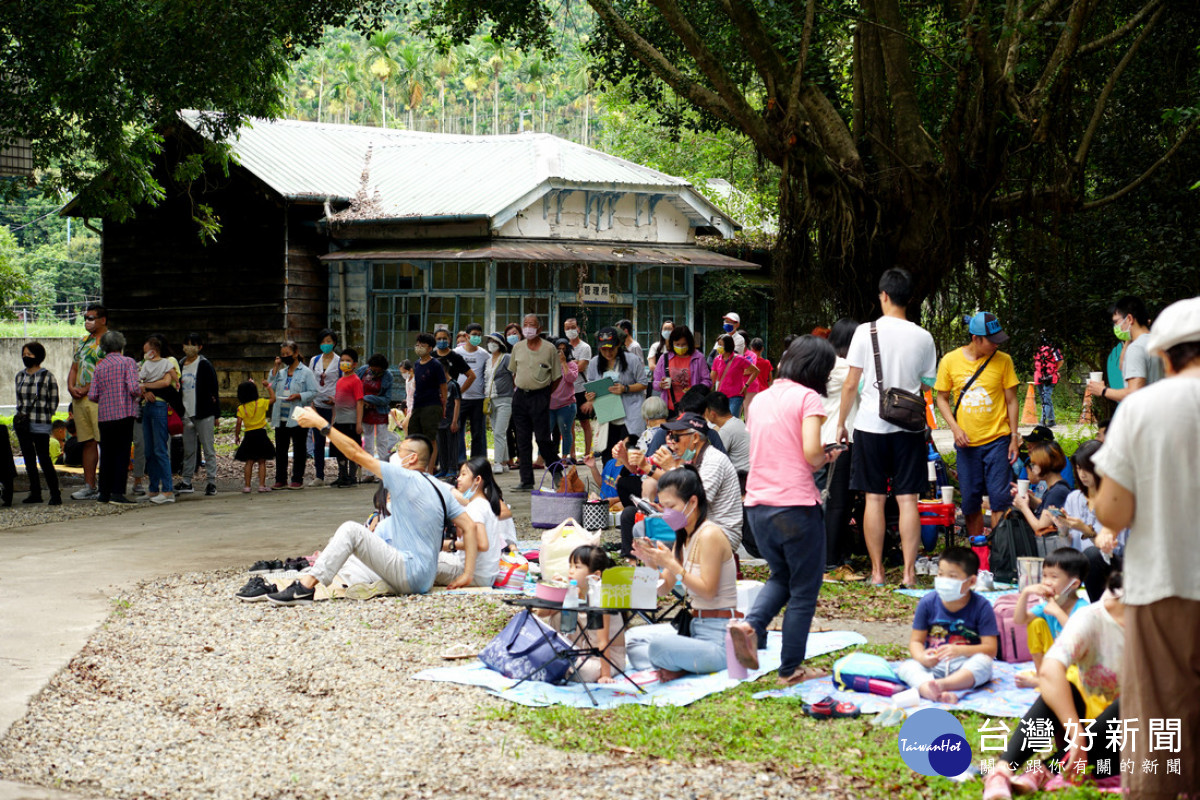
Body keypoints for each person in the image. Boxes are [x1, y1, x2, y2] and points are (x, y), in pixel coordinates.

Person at [1091, 295, 1200, 800]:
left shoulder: (1143, 408)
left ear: (1165, 355)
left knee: (1158, 711)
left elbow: (1113, 513)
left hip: (1165, 582)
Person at [250, 428, 479, 604]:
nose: (394, 455)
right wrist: (467, 574)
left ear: (410, 460)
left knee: (351, 530)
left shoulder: (404, 476)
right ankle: (309, 577)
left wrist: (322, 425)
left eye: (399, 451)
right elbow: (470, 527)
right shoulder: (440, 487)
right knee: (357, 553)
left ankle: (305, 587)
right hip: (424, 578)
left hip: (408, 574)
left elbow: (355, 453)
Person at [727, 336, 839, 683]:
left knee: (782, 577)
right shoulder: (808, 398)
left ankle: (751, 624)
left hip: (758, 508)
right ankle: (791, 669)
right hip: (796, 506)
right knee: (804, 590)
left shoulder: (759, 400)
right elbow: (809, 454)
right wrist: (828, 454)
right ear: (817, 370)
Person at [837, 268, 938, 587]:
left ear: (883, 295)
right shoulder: (924, 337)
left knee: (875, 499)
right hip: (908, 429)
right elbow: (927, 384)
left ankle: (878, 572)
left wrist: (841, 423)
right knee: (908, 499)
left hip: (869, 425)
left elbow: (851, 383)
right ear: (909, 298)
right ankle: (909, 574)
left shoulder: (865, 332)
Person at [982, 572, 1125, 798]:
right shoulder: (1091, 616)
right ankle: (1002, 770)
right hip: (1084, 721)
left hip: (1129, 738)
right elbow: (1050, 670)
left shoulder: (1168, 628)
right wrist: (1076, 733)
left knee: (1132, 702)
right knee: (1061, 685)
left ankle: (1045, 770)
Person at [626, 467, 739, 682]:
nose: (666, 513)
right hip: (693, 631)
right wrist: (650, 564)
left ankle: (677, 666)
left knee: (659, 646)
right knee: (632, 640)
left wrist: (672, 565)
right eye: (663, 507)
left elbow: (707, 592)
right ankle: (677, 665)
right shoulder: (682, 538)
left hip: (719, 639)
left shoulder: (710, 535)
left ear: (693, 502)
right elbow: (664, 589)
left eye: (672, 507)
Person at [934, 312, 1020, 541]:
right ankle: (978, 551)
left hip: (998, 441)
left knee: (1000, 497)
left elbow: (1011, 400)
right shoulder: (950, 361)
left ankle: (999, 551)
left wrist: (1014, 437)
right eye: (991, 340)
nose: (996, 345)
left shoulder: (1004, 361)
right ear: (975, 338)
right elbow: (941, 398)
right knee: (971, 501)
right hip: (967, 443)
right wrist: (954, 428)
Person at [895, 546, 997, 703]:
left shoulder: (981, 606)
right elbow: (916, 641)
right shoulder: (928, 603)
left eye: (952, 576)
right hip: (933, 665)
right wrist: (922, 657)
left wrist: (960, 650)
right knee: (907, 667)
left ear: (971, 581)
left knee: (983, 664)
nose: (943, 580)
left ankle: (940, 686)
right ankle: (930, 690)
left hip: (965, 663)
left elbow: (990, 649)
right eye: (941, 574)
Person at [642, 412, 742, 554]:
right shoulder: (692, 460)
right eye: (670, 436)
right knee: (643, 527)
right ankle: (654, 573)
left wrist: (671, 468)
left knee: (654, 537)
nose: (672, 442)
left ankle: (666, 574)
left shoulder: (713, 461)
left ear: (695, 438)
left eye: (676, 437)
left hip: (719, 533)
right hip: (698, 525)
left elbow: (696, 503)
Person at [535, 545, 630, 683]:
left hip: (605, 659)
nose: (571, 571)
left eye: (577, 567)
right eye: (570, 566)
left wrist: (605, 675)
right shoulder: (573, 591)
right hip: (578, 652)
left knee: (584, 673)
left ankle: (556, 663)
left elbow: (604, 641)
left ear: (596, 575)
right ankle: (558, 661)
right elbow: (541, 613)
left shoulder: (603, 597)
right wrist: (557, 591)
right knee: (558, 614)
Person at [1053, 440, 1123, 602]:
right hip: (1079, 568)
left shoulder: (1117, 499)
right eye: (1078, 468)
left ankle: (1097, 607)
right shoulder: (1073, 498)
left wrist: (1087, 530)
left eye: (1087, 468)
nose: (1082, 474)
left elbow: (1117, 550)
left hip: (1111, 567)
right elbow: (1067, 547)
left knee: (1092, 555)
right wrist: (1062, 529)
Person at [1012, 547, 1089, 684]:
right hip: (1055, 662)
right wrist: (1025, 593)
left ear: (1074, 584)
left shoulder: (1083, 608)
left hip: (1077, 663)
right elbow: (1019, 620)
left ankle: (1043, 683)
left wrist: (1058, 612)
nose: (1046, 582)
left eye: (1054, 577)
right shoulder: (1047, 605)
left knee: (1079, 677)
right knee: (1035, 624)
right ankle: (1042, 675)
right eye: (1044, 575)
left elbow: (1079, 635)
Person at [820, 318, 859, 573]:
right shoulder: (846, 367)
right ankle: (831, 558)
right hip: (841, 437)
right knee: (838, 502)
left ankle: (836, 553)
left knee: (832, 499)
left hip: (824, 436)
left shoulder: (824, 363)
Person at [87, 331, 141, 506]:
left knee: (108, 454)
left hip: (104, 416)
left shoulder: (100, 366)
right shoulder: (128, 362)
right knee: (122, 453)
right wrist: (142, 392)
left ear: (104, 347)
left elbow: (93, 395)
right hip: (124, 413)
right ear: (122, 344)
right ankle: (117, 492)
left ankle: (104, 493)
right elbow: (133, 388)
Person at [507, 314, 560, 490]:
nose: (528, 327)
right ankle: (526, 480)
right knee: (522, 440)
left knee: (543, 439)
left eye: (532, 325)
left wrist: (543, 393)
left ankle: (558, 473)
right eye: (525, 324)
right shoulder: (518, 347)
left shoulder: (549, 348)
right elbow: (514, 373)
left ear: (539, 329)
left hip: (540, 397)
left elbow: (556, 378)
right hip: (520, 397)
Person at [436, 457, 505, 588]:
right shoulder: (483, 503)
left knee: (419, 565)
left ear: (477, 480)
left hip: (476, 575)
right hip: (486, 574)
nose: (458, 479)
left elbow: (482, 544)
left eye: (463, 474)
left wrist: (450, 545)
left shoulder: (476, 506)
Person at [582, 326, 649, 461]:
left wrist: (625, 388)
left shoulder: (632, 360)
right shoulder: (595, 362)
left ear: (618, 344)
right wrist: (589, 397)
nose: (608, 352)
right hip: (607, 413)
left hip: (631, 413)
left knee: (629, 453)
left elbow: (643, 384)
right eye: (603, 349)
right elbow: (590, 387)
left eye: (611, 348)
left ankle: (627, 481)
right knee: (608, 454)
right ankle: (609, 481)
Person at [1086, 295, 1161, 403]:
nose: (1116, 327)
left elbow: (1134, 393)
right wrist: (1129, 338)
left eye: (1116, 322)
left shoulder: (1136, 348)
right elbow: (1123, 367)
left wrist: (1102, 390)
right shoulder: (1158, 341)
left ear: (1129, 319)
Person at [67, 304, 107, 499]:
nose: (87, 321)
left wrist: (86, 388)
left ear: (102, 320)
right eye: (86, 318)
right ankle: (89, 485)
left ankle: (107, 485)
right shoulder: (83, 341)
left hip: (99, 399)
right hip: (80, 399)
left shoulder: (110, 342)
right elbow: (74, 367)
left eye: (91, 318)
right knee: (87, 441)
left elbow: (106, 371)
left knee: (103, 441)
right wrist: (70, 386)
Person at [14, 341, 61, 505]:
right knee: (28, 459)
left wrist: (45, 415)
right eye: (24, 354)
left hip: (41, 422)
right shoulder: (20, 376)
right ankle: (35, 493)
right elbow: (19, 399)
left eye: (29, 354)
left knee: (44, 458)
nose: (26, 357)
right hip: (23, 423)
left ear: (38, 356)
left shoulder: (47, 376)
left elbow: (54, 401)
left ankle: (55, 493)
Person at [266, 340, 317, 489]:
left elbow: (314, 392)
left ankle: (297, 479)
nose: (285, 357)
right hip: (280, 415)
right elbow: (271, 387)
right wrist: (275, 367)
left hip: (298, 414)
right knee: (281, 448)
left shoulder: (306, 372)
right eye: (282, 355)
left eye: (287, 354)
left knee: (299, 448)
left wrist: (299, 396)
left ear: (295, 353)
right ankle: (280, 479)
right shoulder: (281, 373)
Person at [176, 332, 219, 496]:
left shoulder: (205, 365)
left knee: (208, 448)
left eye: (193, 344)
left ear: (200, 347)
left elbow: (214, 390)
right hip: (186, 413)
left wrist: (216, 415)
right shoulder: (180, 364)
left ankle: (211, 482)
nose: (189, 347)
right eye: (186, 343)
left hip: (204, 412)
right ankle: (186, 481)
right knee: (189, 449)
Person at [138, 335, 178, 505]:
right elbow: (138, 381)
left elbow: (168, 381)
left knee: (160, 448)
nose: (144, 354)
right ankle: (154, 488)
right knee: (149, 450)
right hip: (146, 406)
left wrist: (145, 386)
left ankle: (168, 490)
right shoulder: (146, 365)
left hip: (160, 407)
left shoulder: (168, 362)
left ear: (153, 351)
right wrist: (144, 390)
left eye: (147, 351)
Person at [307, 328, 341, 486]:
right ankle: (319, 475)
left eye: (328, 341)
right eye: (323, 342)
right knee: (318, 441)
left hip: (334, 406)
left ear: (334, 343)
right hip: (317, 405)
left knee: (338, 440)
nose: (325, 344)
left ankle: (343, 473)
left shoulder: (340, 361)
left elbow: (342, 383)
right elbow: (310, 381)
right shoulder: (314, 360)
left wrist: (336, 399)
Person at [409, 333, 448, 472]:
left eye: (423, 345)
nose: (419, 347)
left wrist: (444, 405)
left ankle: (430, 470)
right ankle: (418, 467)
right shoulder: (417, 364)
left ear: (430, 348)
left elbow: (443, 386)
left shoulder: (435, 364)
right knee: (415, 437)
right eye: (417, 344)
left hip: (432, 405)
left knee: (430, 438)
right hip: (418, 405)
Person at [1011, 441, 1071, 531]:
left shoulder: (1057, 492)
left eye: (1033, 464)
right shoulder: (1056, 488)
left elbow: (1041, 528)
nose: (1032, 468)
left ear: (1045, 463)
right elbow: (1045, 509)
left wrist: (1023, 507)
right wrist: (1029, 497)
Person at [651, 324, 711, 414]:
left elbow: (707, 381)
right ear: (672, 343)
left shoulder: (698, 358)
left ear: (689, 343)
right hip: (670, 407)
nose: (680, 347)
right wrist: (660, 384)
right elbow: (655, 383)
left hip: (693, 408)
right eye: (677, 344)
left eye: (683, 344)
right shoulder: (664, 358)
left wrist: (695, 389)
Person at [327, 348, 364, 487]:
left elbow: (360, 401)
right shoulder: (340, 380)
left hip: (351, 420)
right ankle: (342, 474)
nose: (344, 363)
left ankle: (352, 476)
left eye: (348, 361)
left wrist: (358, 423)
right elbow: (338, 401)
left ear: (354, 364)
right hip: (339, 420)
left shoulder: (356, 381)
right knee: (339, 449)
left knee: (352, 449)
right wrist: (333, 421)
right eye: (342, 360)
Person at [234, 379, 276, 493]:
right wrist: (268, 387)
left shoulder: (241, 408)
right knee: (262, 461)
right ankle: (261, 485)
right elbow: (273, 399)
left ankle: (247, 486)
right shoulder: (261, 402)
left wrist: (237, 436)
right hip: (261, 434)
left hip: (249, 435)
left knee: (249, 461)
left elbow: (238, 423)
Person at [455, 323, 489, 459]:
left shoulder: (484, 354)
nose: (476, 337)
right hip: (460, 399)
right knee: (457, 431)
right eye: (474, 334)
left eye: (479, 335)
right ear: (467, 336)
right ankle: (459, 460)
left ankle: (477, 461)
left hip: (478, 399)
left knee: (478, 433)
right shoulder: (456, 353)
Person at [563, 318, 594, 460]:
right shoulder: (563, 347)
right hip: (567, 390)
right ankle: (572, 454)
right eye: (567, 328)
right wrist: (573, 362)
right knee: (569, 424)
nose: (570, 330)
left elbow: (581, 366)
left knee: (585, 422)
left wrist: (567, 362)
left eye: (573, 327)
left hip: (581, 389)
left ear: (579, 329)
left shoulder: (585, 347)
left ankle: (588, 453)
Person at [483, 332, 513, 474]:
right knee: (498, 431)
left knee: (499, 432)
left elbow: (515, 374)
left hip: (505, 399)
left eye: (494, 341)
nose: (491, 343)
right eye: (489, 340)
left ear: (500, 344)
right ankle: (505, 461)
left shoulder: (506, 358)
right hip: (491, 400)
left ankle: (497, 463)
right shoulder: (488, 360)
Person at [358, 354, 394, 470]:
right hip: (365, 411)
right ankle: (369, 472)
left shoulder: (388, 376)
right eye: (373, 367)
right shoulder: (363, 371)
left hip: (380, 412)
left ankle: (383, 471)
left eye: (378, 368)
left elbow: (387, 399)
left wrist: (367, 399)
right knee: (367, 441)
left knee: (382, 442)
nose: (375, 370)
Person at [711, 334, 759, 419]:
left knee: (732, 420)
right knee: (722, 421)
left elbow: (756, 371)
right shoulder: (717, 360)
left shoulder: (739, 359)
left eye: (721, 345)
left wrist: (746, 385)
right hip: (722, 397)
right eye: (718, 344)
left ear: (728, 345)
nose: (719, 347)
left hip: (736, 396)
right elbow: (712, 379)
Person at [702, 392, 748, 476]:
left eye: (705, 412)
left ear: (712, 413)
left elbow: (714, 460)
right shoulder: (738, 422)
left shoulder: (726, 431)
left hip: (741, 477)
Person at [549, 339, 579, 462]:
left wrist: (563, 363)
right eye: (558, 349)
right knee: (546, 432)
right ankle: (544, 457)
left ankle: (565, 457)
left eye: (563, 349)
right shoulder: (550, 365)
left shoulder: (572, 364)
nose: (560, 352)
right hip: (550, 404)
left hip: (566, 404)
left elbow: (570, 379)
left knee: (565, 431)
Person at [435, 363, 461, 478]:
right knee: (442, 447)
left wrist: (455, 421)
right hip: (439, 422)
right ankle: (444, 468)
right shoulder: (437, 385)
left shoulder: (453, 385)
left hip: (450, 421)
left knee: (452, 446)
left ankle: (453, 468)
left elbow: (457, 403)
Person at [1032, 332, 1064, 427]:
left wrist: (1054, 370)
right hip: (1039, 376)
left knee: (1046, 398)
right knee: (1045, 399)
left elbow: (1060, 360)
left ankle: (1043, 421)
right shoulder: (1036, 349)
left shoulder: (1053, 349)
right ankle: (1051, 420)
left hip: (1050, 377)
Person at [743, 338, 772, 413]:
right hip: (764, 391)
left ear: (751, 348)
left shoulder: (749, 363)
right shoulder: (767, 363)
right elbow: (770, 380)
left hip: (752, 391)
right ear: (762, 349)